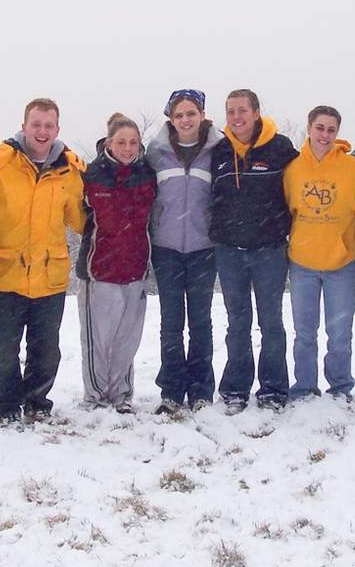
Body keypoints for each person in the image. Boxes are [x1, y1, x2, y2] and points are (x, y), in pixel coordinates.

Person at [0, 98, 86, 427]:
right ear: (24, 126)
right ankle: (8, 405)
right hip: (6, 274)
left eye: (48, 125)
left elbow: (81, 219)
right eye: (36, 125)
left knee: (46, 350)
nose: (42, 131)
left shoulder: (70, 169)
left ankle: (37, 401)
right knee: (6, 351)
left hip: (49, 275)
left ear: (57, 130)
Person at [211, 89, 298, 414]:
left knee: (271, 321)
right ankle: (235, 388)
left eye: (242, 110)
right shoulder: (218, 151)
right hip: (229, 249)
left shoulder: (280, 149)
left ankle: (274, 389)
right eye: (231, 111)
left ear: (257, 112)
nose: (236, 117)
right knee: (237, 322)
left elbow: (299, 187)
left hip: (269, 249)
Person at [146, 89, 222, 414]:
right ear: (171, 119)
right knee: (171, 322)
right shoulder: (156, 153)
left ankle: (202, 391)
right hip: (167, 250)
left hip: (204, 248)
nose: (185, 120)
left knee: (202, 322)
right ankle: (172, 391)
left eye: (191, 113)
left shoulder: (217, 150)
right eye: (179, 115)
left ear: (202, 115)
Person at [76, 113, 157, 413]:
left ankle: (121, 394)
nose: (127, 148)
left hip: (135, 269)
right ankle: (95, 396)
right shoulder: (91, 175)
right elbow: (76, 217)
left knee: (126, 340)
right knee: (98, 340)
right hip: (99, 271)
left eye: (133, 142)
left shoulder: (147, 176)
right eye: (121, 142)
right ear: (109, 142)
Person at [284, 106, 355, 402]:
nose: (325, 135)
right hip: (303, 262)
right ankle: (304, 386)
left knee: (339, 334)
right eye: (320, 128)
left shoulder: (353, 167)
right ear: (309, 128)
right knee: (304, 333)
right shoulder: (293, 168)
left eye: (331, 130)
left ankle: (340, 387)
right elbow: (288, 209)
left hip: (341, 263)